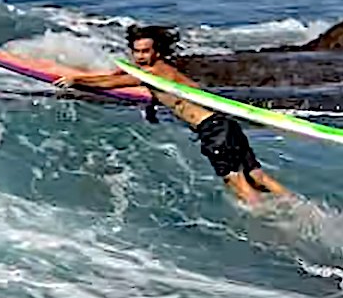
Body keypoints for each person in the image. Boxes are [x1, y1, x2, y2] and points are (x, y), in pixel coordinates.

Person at [53, 25, 290, 205]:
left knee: (235, 181)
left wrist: (78, 80)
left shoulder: (154, 71)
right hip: (224, 124)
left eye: (146, 51)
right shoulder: (160, 71)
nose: (140, 56)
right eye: (136, 52)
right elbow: (135, 78)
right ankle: (296, 205)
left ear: (157, 52)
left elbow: (110, 82)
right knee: (256, 175)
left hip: (212, 129)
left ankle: (267, 221)